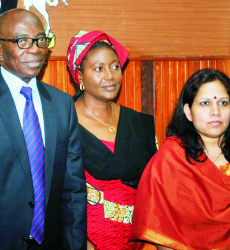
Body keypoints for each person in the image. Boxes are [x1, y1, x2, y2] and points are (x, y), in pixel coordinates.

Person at [0, 9, 87, 250]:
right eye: (22, 41)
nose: (35, 48)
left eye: (40, 40)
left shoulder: (62, 105)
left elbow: (74, 189)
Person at [129, 69, 230, 250]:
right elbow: (158, 229)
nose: (215, 112)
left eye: (223, 103)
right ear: (188, 111)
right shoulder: (170, 159)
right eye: (205, 103)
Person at [67, 30, 157, 250]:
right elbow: (55, 195)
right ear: (79, 76)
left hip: (138, 242)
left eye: (115, 66)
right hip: (82, 243)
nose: (110, 76)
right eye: (99, 68)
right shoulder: (63, 123)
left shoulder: (138, 123)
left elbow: (155, 189)